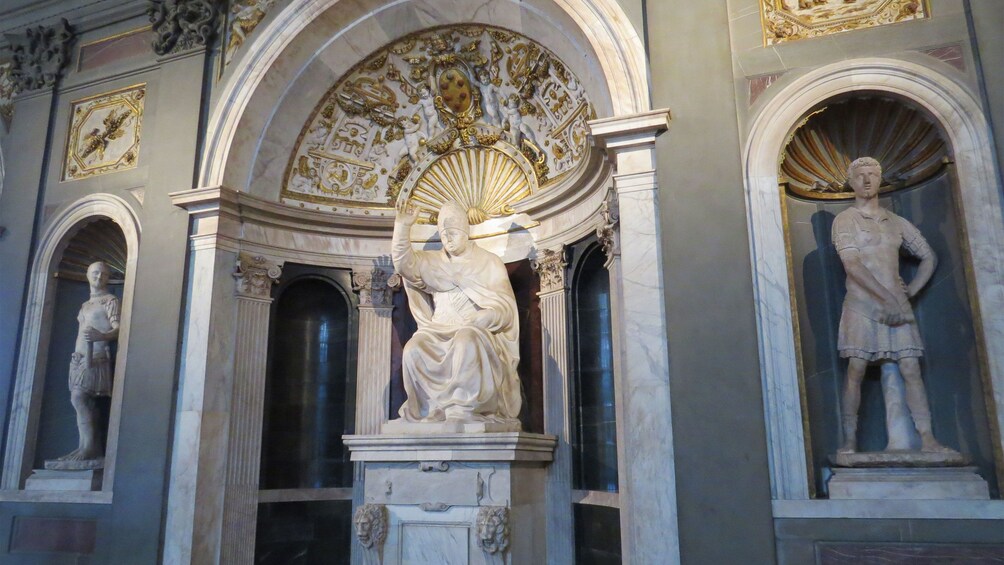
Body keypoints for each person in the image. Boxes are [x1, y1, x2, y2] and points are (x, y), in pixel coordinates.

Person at [832, 157, 947, 453]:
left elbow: (928, 257)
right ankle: (849, 441)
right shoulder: (845, 220)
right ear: (852, 181)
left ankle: (928, 438)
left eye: (872, 174)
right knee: (856, 368)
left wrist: (909, 294)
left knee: (910, 368)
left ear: (881, 179)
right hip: (862, 304)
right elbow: (852, 264)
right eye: (861, 175)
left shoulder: (897, 222)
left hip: (897, 305)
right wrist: (888, 297)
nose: (867, 180)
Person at [391, 201, 521, 426]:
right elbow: (404, 265)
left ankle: (463, 408)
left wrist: (488, 317)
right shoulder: (432, 262)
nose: (448, 240)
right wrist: (403, 228)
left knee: (465, 340)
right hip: (437, 330)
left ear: (465, 232)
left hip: (476, 330)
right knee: (413, 349)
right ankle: (425, 410)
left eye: (452, 234)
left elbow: (506, 307)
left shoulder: (489, 263)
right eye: (443, 236)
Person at [57, 261, 120, 463]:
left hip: (97, 357)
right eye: (95, 273)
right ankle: (84, 446)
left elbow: (118, 329)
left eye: (103, 274)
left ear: (109, 278)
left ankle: (90, 448)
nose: (98, 277)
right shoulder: (85, 305)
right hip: (80, 359)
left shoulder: (110, 300)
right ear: (87, 275)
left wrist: (100, 336)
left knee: (79, 399)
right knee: (83, 402)